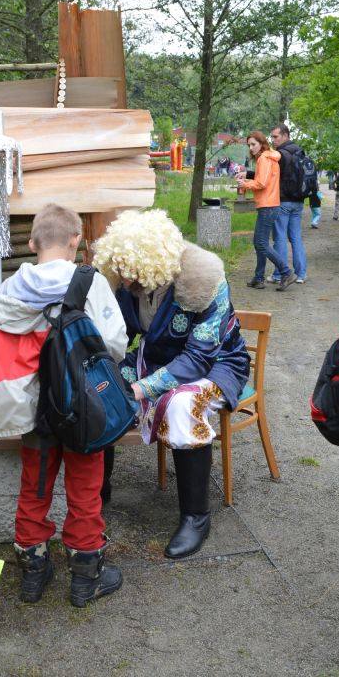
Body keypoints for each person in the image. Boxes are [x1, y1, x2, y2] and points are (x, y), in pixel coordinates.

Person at [0, 203, 127, 607]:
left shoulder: (9, 291)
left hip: (32, 410)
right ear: (76, 240)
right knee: (85, 489)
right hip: (82, 408)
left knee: (35, 487)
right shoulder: (90, 283)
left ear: (31, 243)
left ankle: (33, 573)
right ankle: (85, 578)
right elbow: (114, 343)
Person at [91, 210, 251, 560]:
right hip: (156, 358)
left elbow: (198, 358)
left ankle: (196, 517)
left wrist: (139, 389)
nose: (123, 277)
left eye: (129, 269)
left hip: (217, 365)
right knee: (100, 393)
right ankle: (96, 495)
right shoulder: (128, 281)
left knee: (182, 404)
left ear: (151, 263)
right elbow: (118, 335)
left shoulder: (205, 278)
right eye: (119, 268)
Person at [235, 131, 297, 290]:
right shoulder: (270, 157)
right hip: (270, 204)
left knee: (261, 243)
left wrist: (245, 184)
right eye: (249, 145)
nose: (251, 148)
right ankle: (258, 278)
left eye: (253, 144)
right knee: (259, 243)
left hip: (268, 206)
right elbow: (264, 181)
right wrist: (249, 180)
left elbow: (261, 183)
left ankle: (286, 272)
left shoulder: (264, 158)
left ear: (262, 144)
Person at [268, 124, 309, 283]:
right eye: (271, 137)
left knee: (280, 238)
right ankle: (301, 274)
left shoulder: (280, 155)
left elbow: (269, 177)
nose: (272, 140)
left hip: (283, 201)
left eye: (275, 136)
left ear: (285, 136)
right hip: (298, 201)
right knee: (296, 238)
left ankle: (280, 274)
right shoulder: (300, 152)